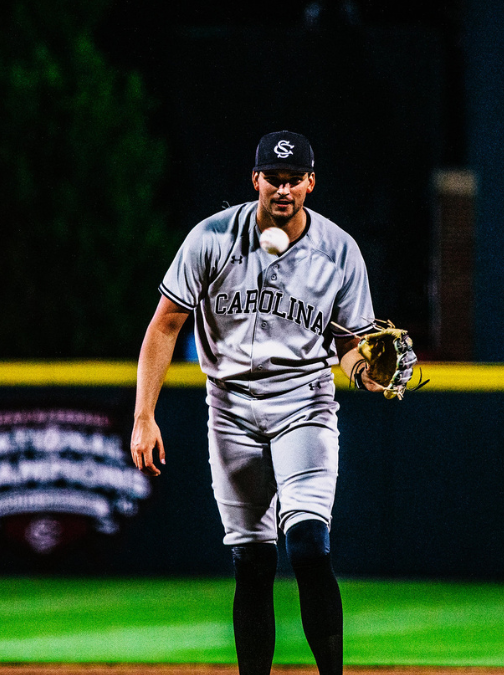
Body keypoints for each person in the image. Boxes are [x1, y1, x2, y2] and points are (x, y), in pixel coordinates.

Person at [131, 130, 385, 674]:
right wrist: (143, 416)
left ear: (311, 182)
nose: (284, 188)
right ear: (256, 180)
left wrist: (364, 371)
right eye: (274, 177)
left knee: (310, 546)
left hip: (304, 402)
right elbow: (165, 325)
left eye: (295, 179)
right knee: (252, 560)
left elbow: (347, 345)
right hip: (228, 407)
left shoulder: (340, 251)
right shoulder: (211, 238)